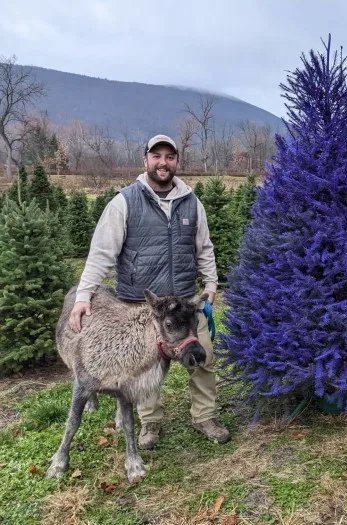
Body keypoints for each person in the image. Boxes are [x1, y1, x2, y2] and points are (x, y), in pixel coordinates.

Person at [69, 134, 230, 449]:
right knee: (142, 367)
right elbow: (101, 253)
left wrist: (210, 284)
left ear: (176, 162)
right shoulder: (124, 202)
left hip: (184, 303)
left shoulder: (191, 202)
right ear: (146, 160)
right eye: (157, 156)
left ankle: (205, 416)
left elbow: (204, 248)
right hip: (142, 307)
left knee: (203, 357)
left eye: (169, 157)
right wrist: (83, 296)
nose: (163, 162)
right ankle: (150, 423)